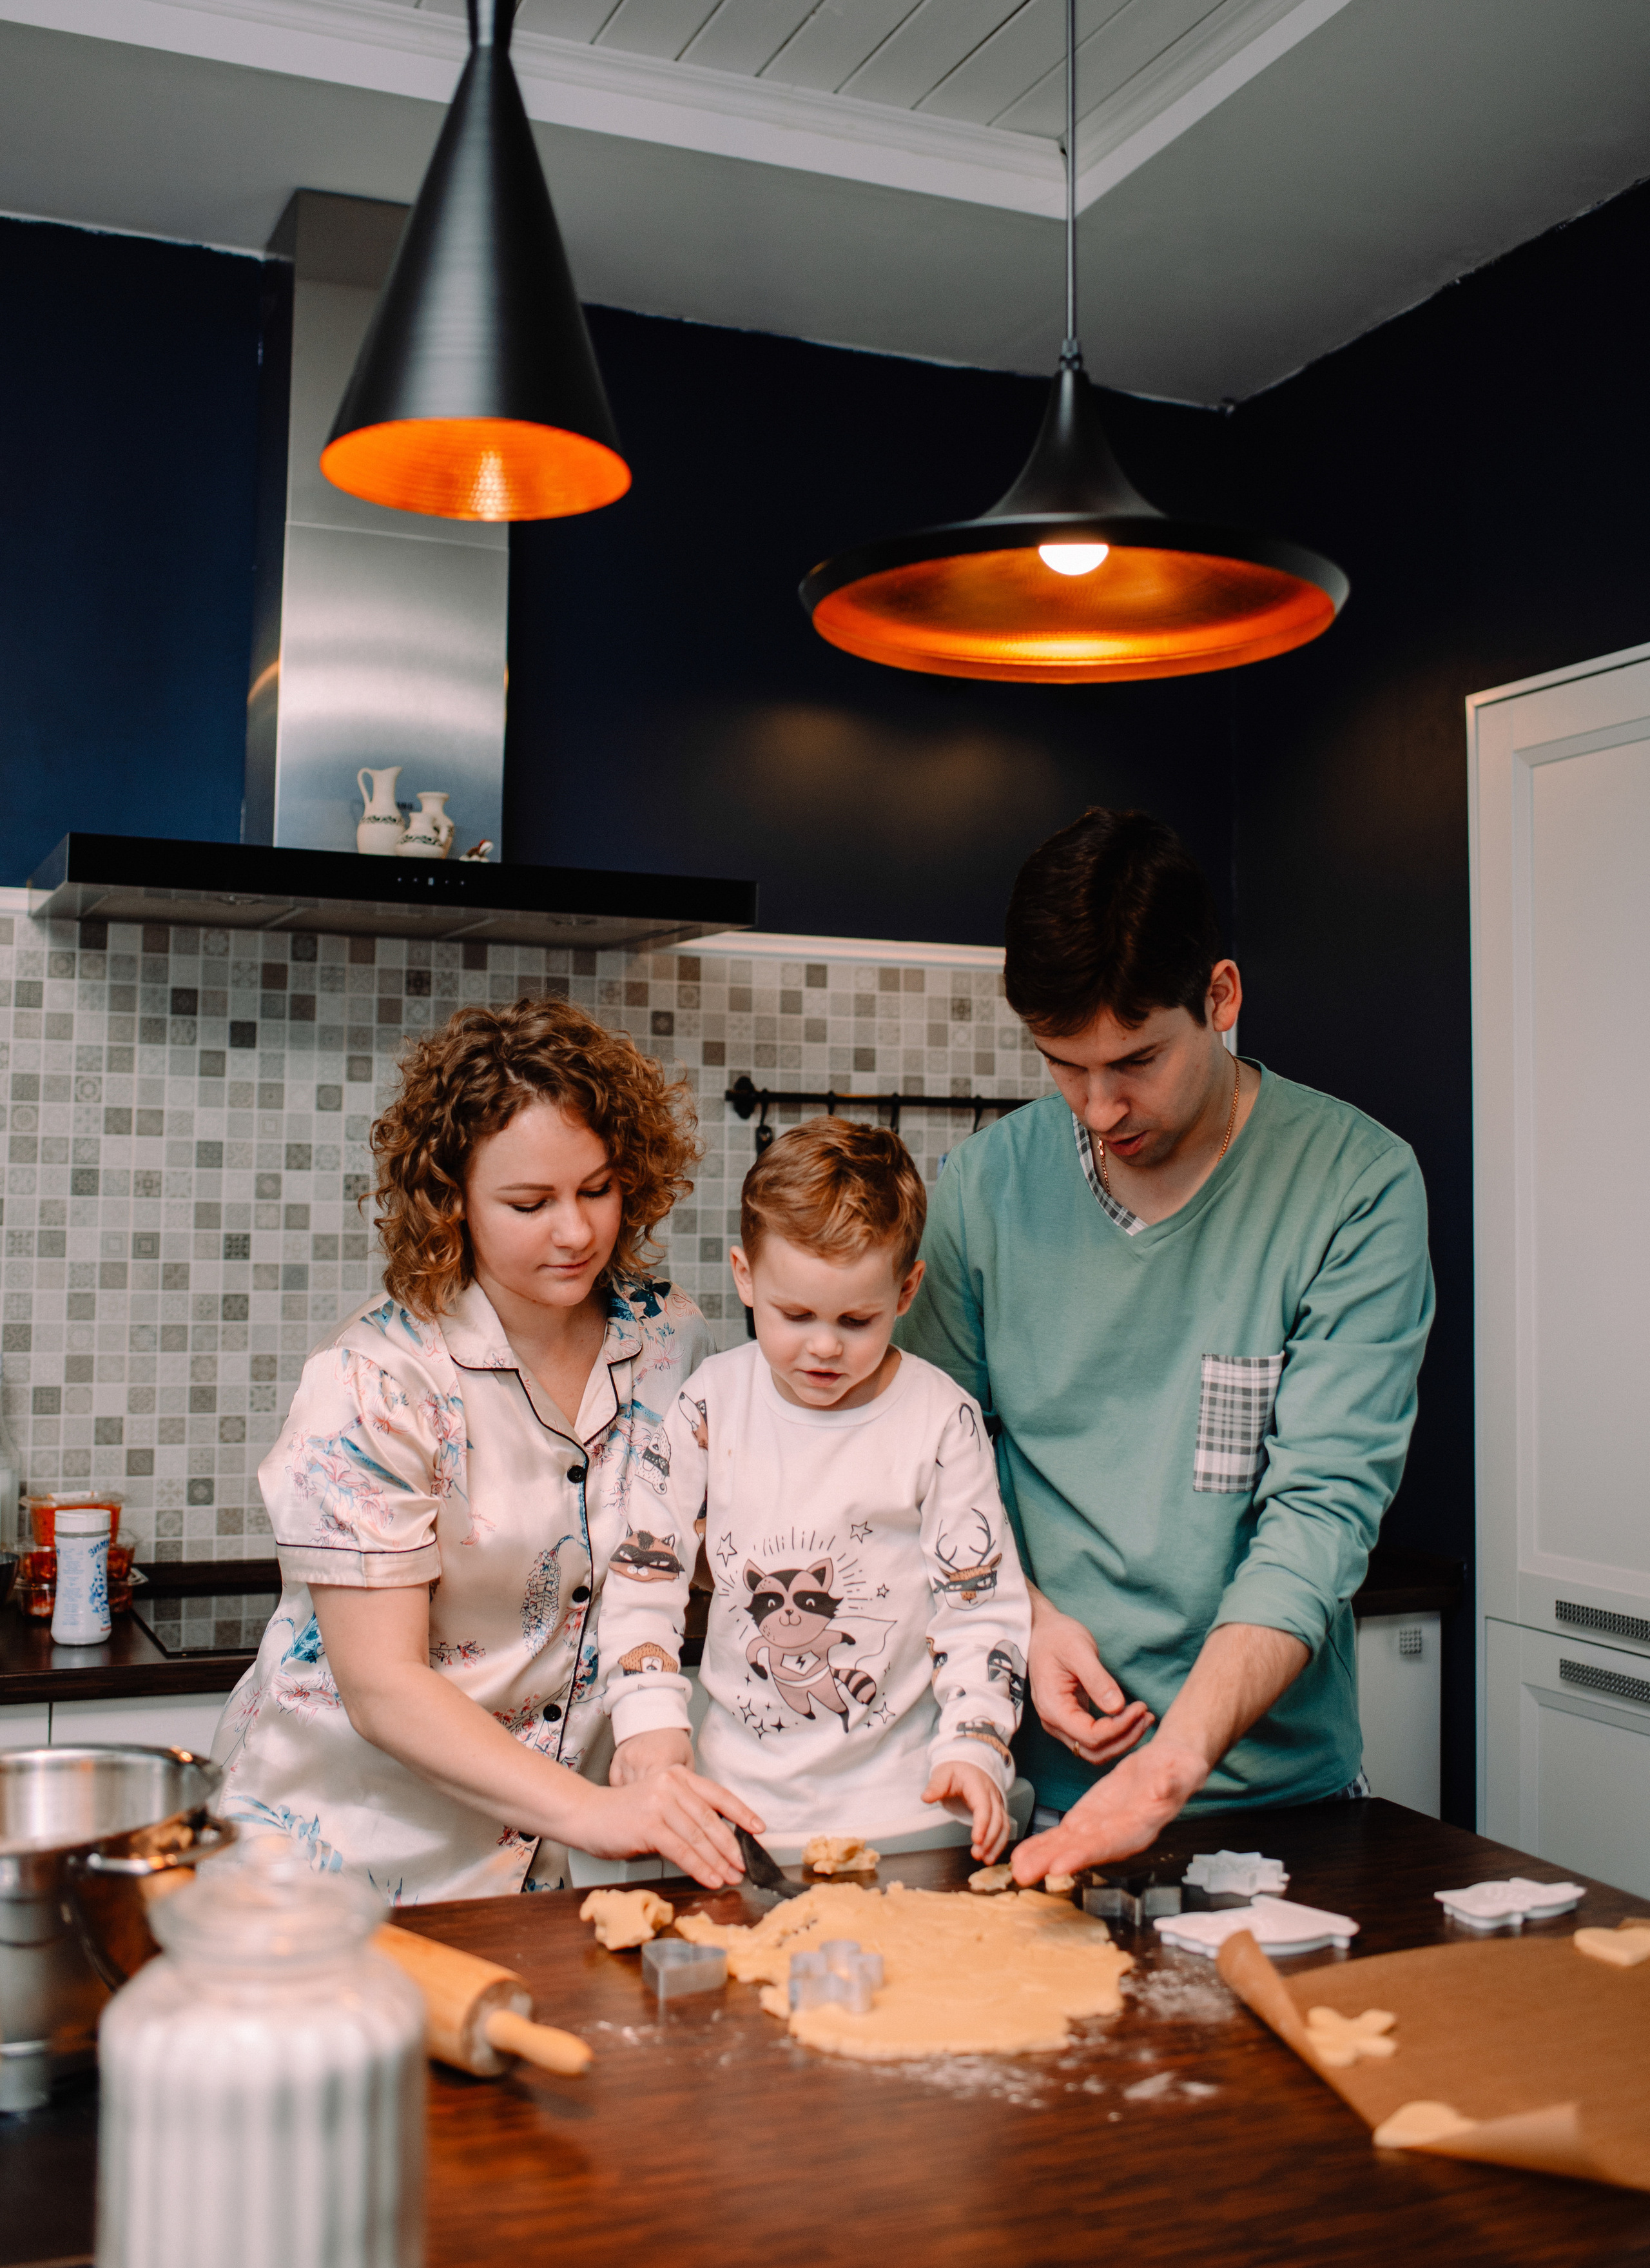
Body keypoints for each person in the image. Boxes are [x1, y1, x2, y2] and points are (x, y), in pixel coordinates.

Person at [896, 809, 1434, 1885]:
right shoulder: (984, 1188)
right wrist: (1030, 1617)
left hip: (1273, 1804)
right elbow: (922, 1456)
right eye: (1064, 1064)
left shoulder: (1358, 1186)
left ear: (1222, 998)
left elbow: (1320, 1512)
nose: (1100, 1106)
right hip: (1025, 1790)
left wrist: (1168, 1766)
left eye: (1135, 1059)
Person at [213, 997, 761, 1902]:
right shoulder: (375, 1382)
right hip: (333, 1873)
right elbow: (384, 1683)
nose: (577, 1230)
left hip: (549, 1878)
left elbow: (700, 1555)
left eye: (596, 1188)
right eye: (528, 1202)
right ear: (452, 1200)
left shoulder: (674, 1342)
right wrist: (590, 1812)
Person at [597, 1118, 1032, 1860]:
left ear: (906, 1290)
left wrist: (975, 1744)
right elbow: (646, 1574)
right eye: (794, 1315)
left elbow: (980, 1607)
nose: (824, 1346)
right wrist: (646, 1721)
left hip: (909, 1806)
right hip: (735, 1809)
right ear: (745, 1276)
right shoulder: (711, 1403)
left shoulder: (940, 1419)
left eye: (855, 1320)